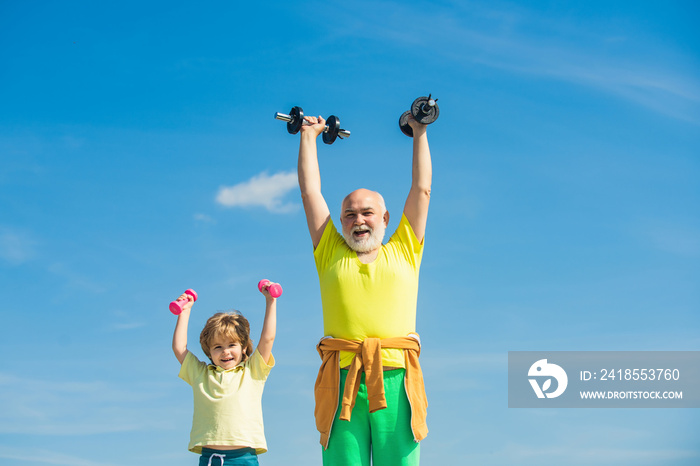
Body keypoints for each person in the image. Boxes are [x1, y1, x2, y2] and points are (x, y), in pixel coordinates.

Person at [297, 113, 432, 465]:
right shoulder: (329, 252)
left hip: (397, 381)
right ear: (340, 223)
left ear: (385, 219)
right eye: (349, 215)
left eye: (367, 213)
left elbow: (421, 190)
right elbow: (310, 192)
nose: (358, 220)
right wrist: (309, 136)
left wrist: (419, 132)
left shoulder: (405, 249)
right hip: (342, 382)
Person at [171, 282, 279, 466]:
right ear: (209, 351)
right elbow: (179, 348)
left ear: (244, 347)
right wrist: (185, 311)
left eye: (231, 345)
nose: (225, 352)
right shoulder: (201, 374)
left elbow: (268, 338)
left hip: (244, 458)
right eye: (218, 347)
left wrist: (271, 301)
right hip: (210, 458)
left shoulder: (252, 372)